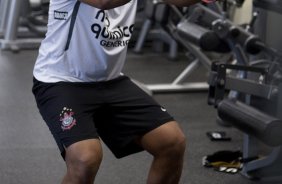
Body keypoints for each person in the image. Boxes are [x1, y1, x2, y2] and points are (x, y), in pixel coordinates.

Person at [32, 0, 210, 183]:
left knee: (171, 142)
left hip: (111, 81)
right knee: (85, 159)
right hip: (60, 80)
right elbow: (102, 2)